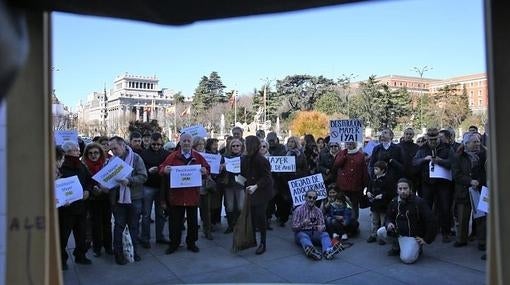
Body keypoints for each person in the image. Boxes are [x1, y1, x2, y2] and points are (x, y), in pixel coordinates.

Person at [159, 133, 210, 254]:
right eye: (184, 141)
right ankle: (174, 244)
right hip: (176, 196)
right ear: (180, 142)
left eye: (188, 141)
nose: (186, 143)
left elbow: (207, 168)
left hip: (192, 195)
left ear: (191, 143)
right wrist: (164, 170)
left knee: (193, 222)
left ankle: (191, 243)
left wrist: (205, 171)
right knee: (175, 222)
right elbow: (162, 167)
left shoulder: (197, 156)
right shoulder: (173, 156)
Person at [377, 178, 437, 264]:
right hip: (398, 233)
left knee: (407, 259)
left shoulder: (419, 202)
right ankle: (396, 246)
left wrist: (426, 239)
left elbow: (431, 221)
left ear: (410, 189)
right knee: (380, 232)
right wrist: (388, 223)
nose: (403, 191)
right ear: (397, 190)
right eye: (400, 189)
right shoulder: (394, 201)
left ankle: (417, 247)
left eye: (405, 188)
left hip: (412, 236)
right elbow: (388, 216)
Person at [108, 136, 148, 265]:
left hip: (134, 198)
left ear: (123, 145)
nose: (113, 151)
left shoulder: (136, 158)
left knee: (134, 226)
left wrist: (129, 181)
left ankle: (133, 252)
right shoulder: (111, 161)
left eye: (115, 148)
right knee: (119, 227)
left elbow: (143, 176)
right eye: (111, 149)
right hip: (118, 199)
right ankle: (118, 254)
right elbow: (107, 178)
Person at [413, 127, 455, 242]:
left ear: (438, 138)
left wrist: (440, 161)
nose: (432, 142)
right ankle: (427, 231)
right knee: (426, 208)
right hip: (427, 183)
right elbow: (414, 162)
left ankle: (446, 232)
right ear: (427, 138)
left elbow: (453, 163)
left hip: (443, 183)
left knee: (445, 208)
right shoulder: (423, 149)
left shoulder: (447, 148)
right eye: (430, 139)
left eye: (435, 139)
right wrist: (424, 160)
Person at [58, 141, 93, 270]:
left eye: (78, 150)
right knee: (63, 236)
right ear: (67, 152)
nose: (78, 152)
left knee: (81, 235)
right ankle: (61, 260)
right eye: (75, 150)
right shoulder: (60, 167)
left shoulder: (81, 166)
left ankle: (80, 256)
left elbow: (89, 180)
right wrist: (61, 200)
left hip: (81, 207)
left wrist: (88, 191)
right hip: (66, 209)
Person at [451, 133, 487, 249]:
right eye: (474, 142)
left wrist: (479, 182)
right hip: (463, 190)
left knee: (481, 217)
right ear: (466, 144)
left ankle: (482, 241)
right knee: (463, 217)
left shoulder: (484, 155)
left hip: (480, 190)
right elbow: (456, 175)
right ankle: (461, 239)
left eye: (478, 141)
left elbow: (486, 171)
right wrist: (470, 181)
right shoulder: (458, 156)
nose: (477, 144)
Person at [240, 135, 274, 254]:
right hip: (251, 190)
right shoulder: (244, 159)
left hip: (262, 192)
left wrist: (256, 186)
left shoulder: (261, 160)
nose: (243, 145)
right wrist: (239, 181)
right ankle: (252, 239)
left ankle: (263, 243)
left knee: (260, 217)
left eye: (245, 143)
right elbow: (244, 175)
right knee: (253, 217)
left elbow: (267, 178)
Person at [292, 189, 343, 260]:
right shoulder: (298, 210)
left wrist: (321, 227)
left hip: (315, 232)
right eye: (310, 197)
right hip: (302, 232)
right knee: (303, 236)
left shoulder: (318, 211)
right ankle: (311, 250)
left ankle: (328, 251)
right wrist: (303, 223)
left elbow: (322, 224)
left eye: (314, 198)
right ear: (305, 197)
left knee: (325, 234)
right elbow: (294, 228)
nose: (312, 199)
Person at [139, 132, 170, 248]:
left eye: (158, 144)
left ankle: (160, 236)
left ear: (161, 143)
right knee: (146, 214)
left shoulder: (166, 154)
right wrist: (148, 171)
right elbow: (140, 168)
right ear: (150, 143)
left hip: (161, 187)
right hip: (147, 186)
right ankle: (145, 238)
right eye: (154, 144)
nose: (156, 146)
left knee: (160, 214)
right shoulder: (144, 154)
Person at [82, 142, 113, 257]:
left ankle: (108, 247)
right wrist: (91, 189)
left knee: (107, 223)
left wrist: (105, 188)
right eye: (90, 153)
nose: (93, 155)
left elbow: (112, 179)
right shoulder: (84, 166)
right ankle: (97, 248)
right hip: (92, 199)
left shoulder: (106, 165)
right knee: (95, 224)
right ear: (86, 155)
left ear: (100, 153)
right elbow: (83, 182)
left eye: (96, 153)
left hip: (105, 197)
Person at [332, 141, 368, 232]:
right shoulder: (342, 153)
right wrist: (344, 154)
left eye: (351, 143)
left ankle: (353, 225)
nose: (349, 145)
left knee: (354, 206)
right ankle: (343, 226)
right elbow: (336, 165)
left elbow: (364, 170)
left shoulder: (360, 155)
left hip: (356, 186)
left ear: (355, 144)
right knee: (343, 206)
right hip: (343, 186)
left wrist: (365, 184)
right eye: (348, 143)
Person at [219, 138, 244, 233]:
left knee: (240, 206)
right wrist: (222, 167)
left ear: (241, 147)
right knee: (229, 206)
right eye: (233, 146)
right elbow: (219, 172)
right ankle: (230, 225)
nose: (236, 147)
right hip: (229, 184)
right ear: (230, 147)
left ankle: (238, 225)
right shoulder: (225, 157)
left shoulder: (244, 158)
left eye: (238, 145)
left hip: (240, 184)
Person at [366, 161, 394, 244]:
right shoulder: (373, 178)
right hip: (374, 204)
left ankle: (382, 236)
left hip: (383, 205)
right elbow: (369, 187)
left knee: (383, 221)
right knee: (374, 220)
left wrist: (383, 195)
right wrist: (368, 192)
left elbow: (390, 192)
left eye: (376, 169)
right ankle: (373, 235)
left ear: (383, 170)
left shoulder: (387, 180)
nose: (374, 170)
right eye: (374, 169)